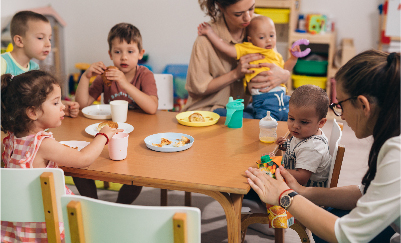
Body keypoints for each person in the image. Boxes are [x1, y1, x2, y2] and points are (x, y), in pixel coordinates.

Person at [246, 50, 400, 242]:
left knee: (325, 228)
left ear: (363, 105)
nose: (341, 115)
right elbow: (365, 192)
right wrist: (302, 192)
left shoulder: (397, 153)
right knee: (329, 216)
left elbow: (348, 235)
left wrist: (284, 195)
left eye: (341, 105)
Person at [1, 70, 122, 242]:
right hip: (46, 223)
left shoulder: (9, 139)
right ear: (32, 112)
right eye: (56, 103)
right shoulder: (43, 144)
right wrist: (103, 135)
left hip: (17, 223)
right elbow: (83, 159)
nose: (63, 106)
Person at [75, 22, 158, 204]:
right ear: (110, 54)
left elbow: (152, 108)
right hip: (109, 132)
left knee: (138, 172)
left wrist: (125, 84)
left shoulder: (145, 75)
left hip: (138, 134)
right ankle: (94, 205)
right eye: (118, 51)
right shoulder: (106, 76)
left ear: (140, 54)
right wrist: (85, 77)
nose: (124, 57)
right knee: (79, 164)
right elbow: (83, 104)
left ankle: (121, 206)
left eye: (130, 51)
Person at [182, 0, 290, 119]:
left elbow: (274, 62)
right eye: (238, 14)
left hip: (246, 107)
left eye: (251, 8)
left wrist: (284, 74)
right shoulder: (205, 40)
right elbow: (196, 90)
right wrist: (236, 74)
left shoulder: (260, 25)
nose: (247, 18)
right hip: (208, 111)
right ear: (220, 7)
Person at [197, 15, 300, 120]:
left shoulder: (275, 54)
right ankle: (225, 113)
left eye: (272, 36)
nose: (268, 40)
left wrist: (293, 58)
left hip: (283, 98)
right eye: (262, 37)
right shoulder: (249, 48)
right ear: (251, 40)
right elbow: (227, 49)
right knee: (262, 123)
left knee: (291, 118)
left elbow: (284, 70)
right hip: (264, 99)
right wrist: (210, 33)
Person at [1, 10, 80, 118]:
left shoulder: (35, 68)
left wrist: (62, 106)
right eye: (40, 38)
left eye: (49, 39)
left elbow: (40, 101)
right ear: (19, 41)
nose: (48, 44)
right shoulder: (3, 63)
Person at [275, 84, 331, 187]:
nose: (295, 126)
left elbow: (301, 178)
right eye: (291, 119)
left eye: (304, 122)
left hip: (306, 194)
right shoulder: (305, 134)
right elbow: (299, 150)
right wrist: (287, 145)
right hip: (294, 184)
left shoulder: (312, 148)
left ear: (321, 123)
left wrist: (276, 169)